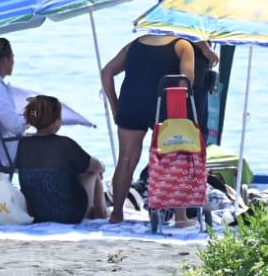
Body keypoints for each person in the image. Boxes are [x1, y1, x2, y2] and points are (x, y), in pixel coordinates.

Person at [102, 33, 217, 222]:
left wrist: (115, 107)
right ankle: (180, 218)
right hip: (162, 105)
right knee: (174, 156)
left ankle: (117, 214)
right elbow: (185, 83)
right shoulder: (183, 45)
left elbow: (107, 72)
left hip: (131, 104)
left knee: (126, 159)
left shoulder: (134, 44)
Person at [14, 95, 108, 224]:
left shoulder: (23, 145)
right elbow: (95, 166)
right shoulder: (65, 144)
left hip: (37, 214)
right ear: (56, 121)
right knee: (93, 172)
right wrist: (102, 167)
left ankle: (96, 211)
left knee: (74, 171)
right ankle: (102, 213)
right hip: (69, 215)